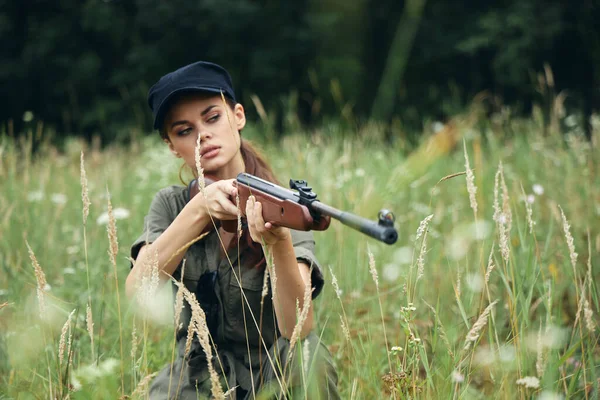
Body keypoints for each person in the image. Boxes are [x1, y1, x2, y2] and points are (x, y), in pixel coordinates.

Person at [126, 61, 339, 399]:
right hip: (197, 374)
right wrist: (197, 211)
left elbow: (297, 328)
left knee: (308, 356)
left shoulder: (282, 205)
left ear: (237, 116)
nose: (202, 135)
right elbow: (137, 291)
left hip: (271, 369)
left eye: (212, 118)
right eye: (184, 130)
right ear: (172, 146)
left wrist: (279, 243)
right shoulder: (170, 205)